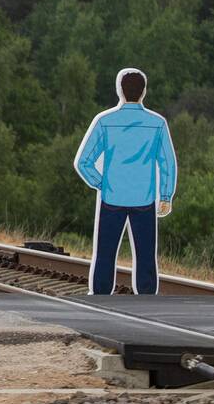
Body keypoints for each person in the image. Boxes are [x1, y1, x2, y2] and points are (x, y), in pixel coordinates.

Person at [74, 68, 176, 295]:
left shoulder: (105, 121)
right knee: (146, 255)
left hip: (112, 197)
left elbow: (83, 162)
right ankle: (146, 299)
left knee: (105, 253)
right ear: (144, 92)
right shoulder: (157, 123)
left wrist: (101, 183)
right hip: (144, 198)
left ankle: (100, 296)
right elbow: (167, 163)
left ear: (120, 90)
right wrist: (166, 196)